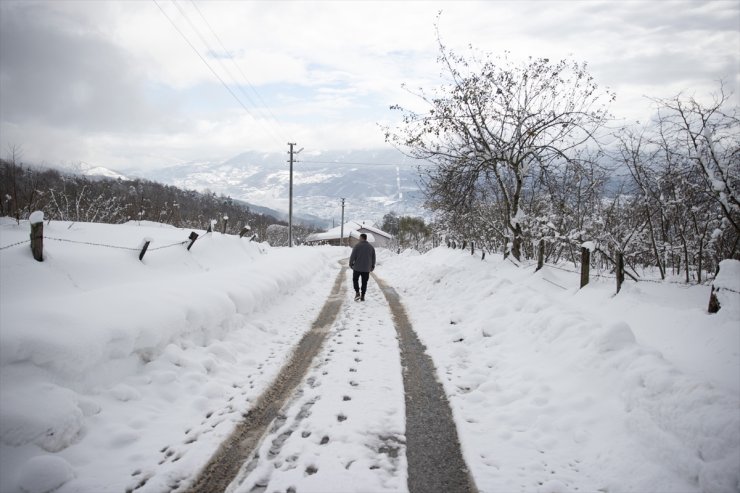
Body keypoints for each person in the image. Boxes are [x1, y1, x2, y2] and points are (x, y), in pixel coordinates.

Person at [349, 233, 375, 301]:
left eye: (359, 238)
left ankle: (357, 293)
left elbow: (352, 256)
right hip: (366, 269)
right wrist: (372, 266)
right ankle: (363, 295)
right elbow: (373, 258)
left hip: (357, 267)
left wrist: (350, 264)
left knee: (355, 280)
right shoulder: (371, 247)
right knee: (364, 282)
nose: (359, 239)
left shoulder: (357, 246)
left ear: (361, 238)